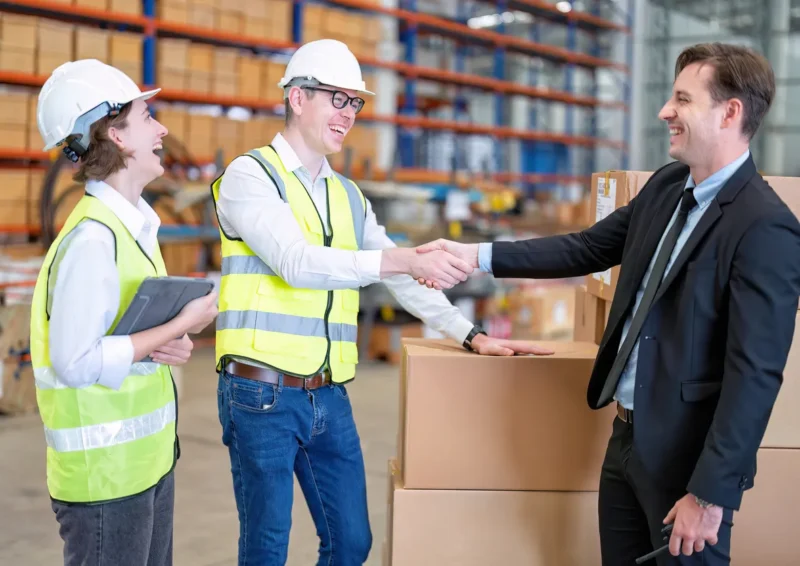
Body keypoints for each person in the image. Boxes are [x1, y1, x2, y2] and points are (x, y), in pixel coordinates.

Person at [416, 42, 800, 565]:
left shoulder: (765, 225)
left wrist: (710, 496)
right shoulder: (668, 187)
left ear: (730, 112)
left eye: (683, 100)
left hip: (687, 466)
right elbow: (587, 247)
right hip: (625, 440)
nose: (666, 111)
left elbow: (754, 376)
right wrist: (474, 255)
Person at [210, 38, 552, 566]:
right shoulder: (250, 177)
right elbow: (296, 262)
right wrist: (401, 261)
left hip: (327, 394)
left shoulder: (348, 195)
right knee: (266, 548)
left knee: (351, 543)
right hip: (261, 395)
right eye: (336, 99)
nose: (348, 114)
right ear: (297, 98)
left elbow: (404, 277)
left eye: (355, 103)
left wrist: (469, 333)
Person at [29, 59, 219, 566]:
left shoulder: (133, 229)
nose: (161, 129)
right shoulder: (93, 239)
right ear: (116, 135)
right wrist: (179, 325)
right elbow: (76, 362)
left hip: (145, 466)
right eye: (147, 115)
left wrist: (162, 344)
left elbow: (123, 336)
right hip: (104, 481)